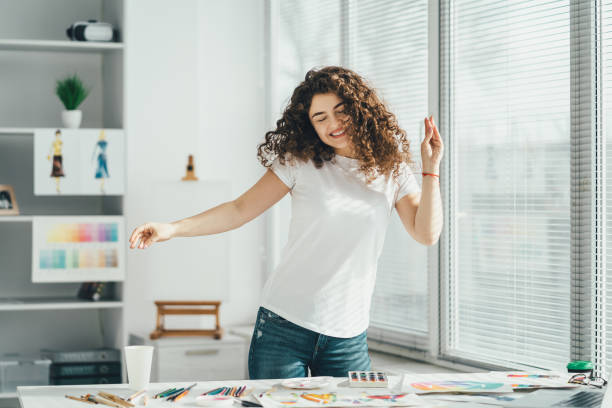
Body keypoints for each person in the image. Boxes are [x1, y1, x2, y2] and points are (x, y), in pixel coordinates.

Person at [129, 66, 444, 379]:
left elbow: (426, 233)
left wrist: (431, 171)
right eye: (320, 118)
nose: (333, 124)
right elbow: (239, 209)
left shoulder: (391, 170)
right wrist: (171, 229)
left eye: (340, 111)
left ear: (358, 108)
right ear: (310, 125)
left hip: (348, 337)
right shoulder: (301, 162)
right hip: (284, 327)